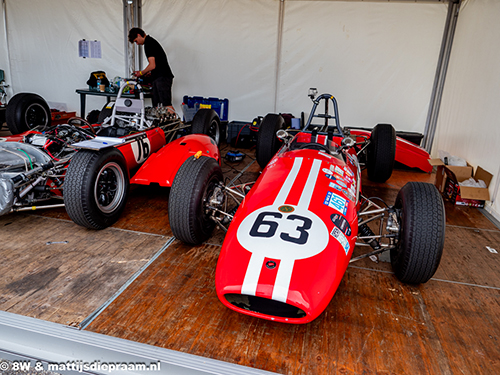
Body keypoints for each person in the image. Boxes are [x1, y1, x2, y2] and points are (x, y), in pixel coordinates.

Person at [128, 28, 175, 114]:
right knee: (157, 106)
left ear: (139, 35)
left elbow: (152, 65)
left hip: (163, 77)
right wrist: (149, 73)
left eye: (136, 41)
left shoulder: (149, 44)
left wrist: (141, 73)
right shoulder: (150, 42)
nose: (137, 43)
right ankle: (159, 125)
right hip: (158, 77)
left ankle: (175, 125)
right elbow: (156, 64)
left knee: (166, 105)